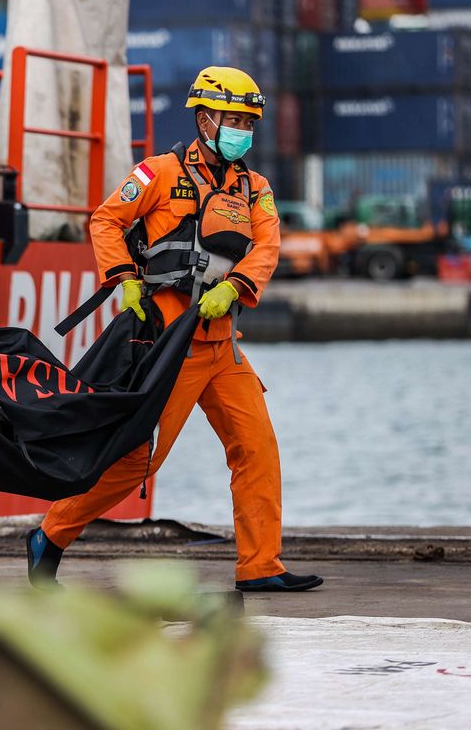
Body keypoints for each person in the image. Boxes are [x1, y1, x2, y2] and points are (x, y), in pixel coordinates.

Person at [27, 66, 323, 593]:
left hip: (225, 347)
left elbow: (267, 247)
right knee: (141, 459)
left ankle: (260, 567)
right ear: (205, 120)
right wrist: (123, 278)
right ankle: (50, 534)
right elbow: (105, 220)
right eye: (234, 119)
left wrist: (235, 287)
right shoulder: (158, 173)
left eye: (249, 122)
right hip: (171, 343)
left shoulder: (255, 189)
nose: (243, 131)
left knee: (257, 448)